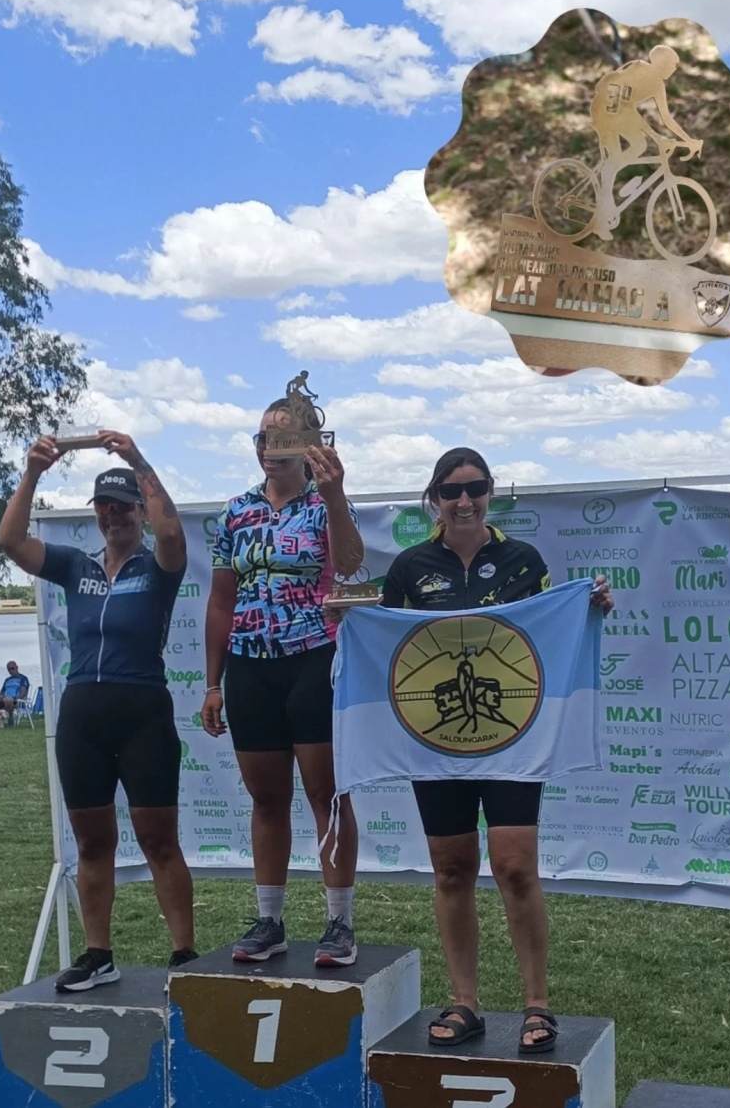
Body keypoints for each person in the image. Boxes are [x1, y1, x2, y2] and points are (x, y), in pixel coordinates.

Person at [380, 447, 612, 1051]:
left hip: (512, 739)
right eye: (452, 491)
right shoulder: (409, 567)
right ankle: (465, 1004)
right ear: (434, 497)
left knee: (513, 866)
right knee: (452, 871)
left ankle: (537, 1004)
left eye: (475, 488)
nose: (464, 501)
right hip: (437, 744)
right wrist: (349, 622)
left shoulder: (521, 559)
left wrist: (587, 610)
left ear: (490, 492)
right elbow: (388, 650)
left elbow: (546, 632)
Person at [0, 430, 197, 990]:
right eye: (105, 509)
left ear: (139, 511)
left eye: (124, 508)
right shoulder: (73, 566)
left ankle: (183, 955)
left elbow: (174, 531)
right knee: (92, 843)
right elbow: (10, 540)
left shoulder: (159, 567)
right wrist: (33, 471)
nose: (114, 518)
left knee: (159, 839)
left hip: (142, 712)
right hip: (82, 713)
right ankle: (98, 954)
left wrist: (136, 459)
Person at [201, 398, 364, 967]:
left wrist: (337, 494)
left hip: (312, 658)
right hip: (249, 665)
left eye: (285, 438)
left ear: (308, 446)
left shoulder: (322, 506)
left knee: (328, 796)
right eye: (264, 438)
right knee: (267, 799)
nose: (272, 448)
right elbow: (222, 600)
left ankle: (339, 923)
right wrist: (213, 683)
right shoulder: (236, 511)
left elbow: (348, 564)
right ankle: (269, 920)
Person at [589, 43, 702, 239]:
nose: (674, 69)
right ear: (661, 63)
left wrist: (689, 140)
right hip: (606, 107)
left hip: (621, 109)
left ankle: (615, 173)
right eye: (672, 64)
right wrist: (655, 136)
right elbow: (620, 106)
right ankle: (600, 219)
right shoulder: (638, 70)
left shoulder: (657, 85)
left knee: (640, 145)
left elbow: (666, 118)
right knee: (614, 158)